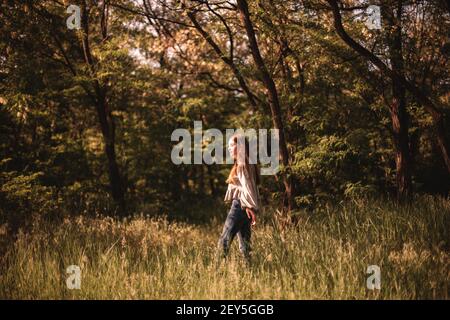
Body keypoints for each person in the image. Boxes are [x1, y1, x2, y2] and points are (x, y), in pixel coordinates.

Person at [217, 133, 260, 264]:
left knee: (224, 240)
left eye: (231, 145)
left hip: (240, 206)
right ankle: (251, 271)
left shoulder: (243, 164)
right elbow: (250, 187)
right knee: (245, 245)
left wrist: (249, 207)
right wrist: (251, 207)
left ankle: (216, 271)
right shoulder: (247, 162)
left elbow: (248, 187)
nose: (229, 148)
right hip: (245, 207)